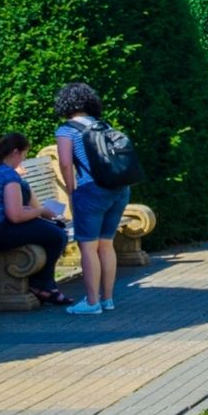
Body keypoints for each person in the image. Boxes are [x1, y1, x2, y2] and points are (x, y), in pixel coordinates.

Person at [0, 132, 73, 308]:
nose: (22, 161)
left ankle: (43, 285)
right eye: (24, 156)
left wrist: (28, 212)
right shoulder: (7, 175)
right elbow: (15, 216)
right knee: (57, 235)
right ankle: (42, 285)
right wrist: (40, 210)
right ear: (15, 152)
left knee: (44, 229)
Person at [54, 82, 129, 316]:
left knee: (88, 247)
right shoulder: (104, 125)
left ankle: (92, 301)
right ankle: (107, 299)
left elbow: (66, 163)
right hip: (118, 188)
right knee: (106, 245)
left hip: (90, 190)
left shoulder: (66, 130)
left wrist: (71, 191)